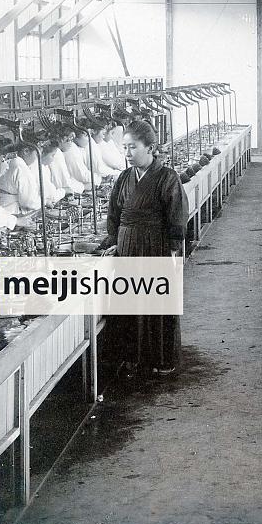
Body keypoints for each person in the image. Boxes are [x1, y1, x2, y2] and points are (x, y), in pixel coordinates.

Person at [99, 120, 185, 375]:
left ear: (150, 148)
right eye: (124, 148)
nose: (127, 154)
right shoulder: (125, 178)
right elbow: (114, 213)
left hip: (153, 245)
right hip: (127, 247)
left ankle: (159, 358)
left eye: (132, 148)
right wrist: (114, 241)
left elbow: (177, 216)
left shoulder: (167, 178)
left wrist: (172, 250)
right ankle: (131, 358)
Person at [0, 142, 41, 215]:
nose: (36, 159)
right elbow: (29, 202)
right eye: (36, 155)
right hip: (12, 212)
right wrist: (44, 202)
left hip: (2, 207)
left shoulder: (8, 156)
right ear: (26, 151)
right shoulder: (20, 165)